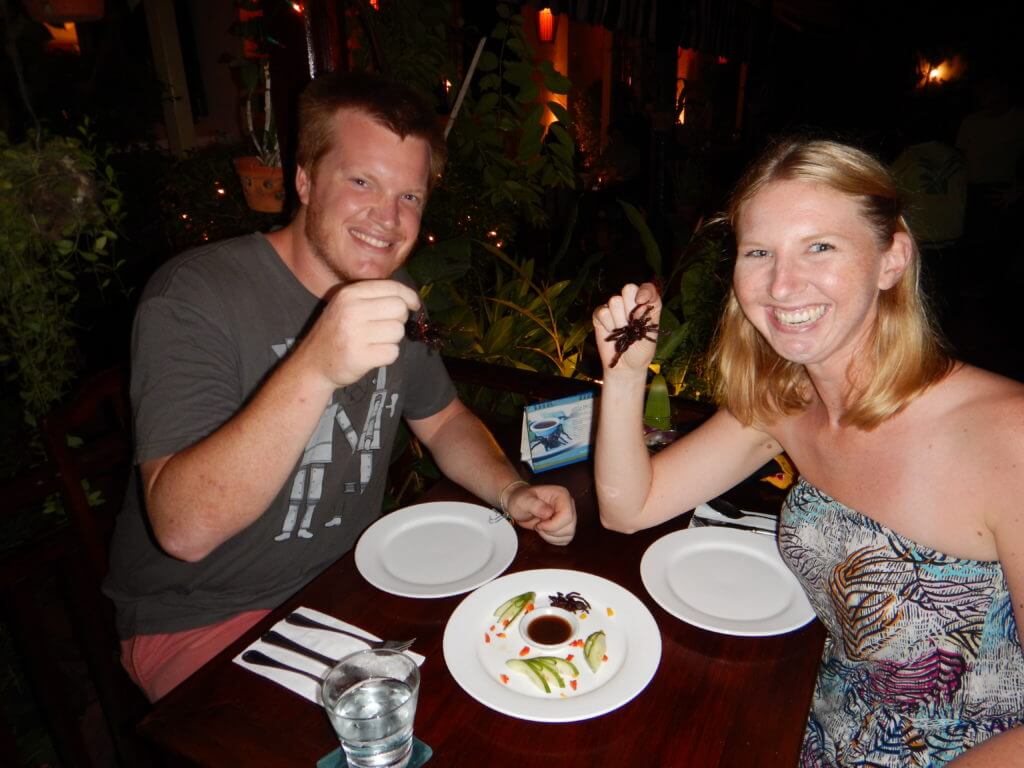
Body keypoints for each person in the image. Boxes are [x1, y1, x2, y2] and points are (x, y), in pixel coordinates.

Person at [103, 72, 576, 702]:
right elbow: (183, 530)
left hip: (343, 589)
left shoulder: (389, 288)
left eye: (410, 196)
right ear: (303, 181)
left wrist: (511, 489)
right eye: (362, 182)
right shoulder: (194, 296)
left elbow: (443, 420)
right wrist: (316, 364)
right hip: (202, 620)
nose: (389, 218)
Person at [592, 139, 1024, 766]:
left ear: (891, 258)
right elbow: (628, 509)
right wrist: (626, 373)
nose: (782, 284)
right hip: (809, 714)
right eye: (758, 252)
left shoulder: (1006, 437)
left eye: (820, 246)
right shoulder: (785, 402)